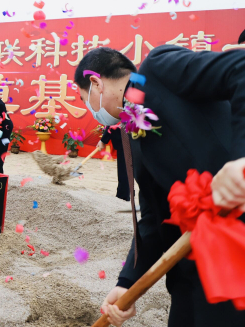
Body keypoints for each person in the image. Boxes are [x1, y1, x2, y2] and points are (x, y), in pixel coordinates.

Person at [74, 46, 245, 327]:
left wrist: (242, 159)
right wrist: (127, 281)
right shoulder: (132, 134)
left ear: (96, 82)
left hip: (237, 250)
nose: (90, 109)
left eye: (85, 99)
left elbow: (240, 66)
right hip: (193, 271)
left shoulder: (159, 68)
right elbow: (154, 215)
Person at [97, 125, 129, 201]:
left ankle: (122, 197)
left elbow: (114, 122)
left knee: (124, 171)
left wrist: (103, 140)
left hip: (126, 140)